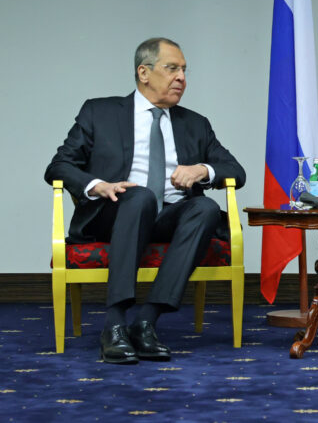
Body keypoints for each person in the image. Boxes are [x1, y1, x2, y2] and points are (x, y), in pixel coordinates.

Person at [45, 38, 245, 364]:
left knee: (206, 207)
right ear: (144, 72)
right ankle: (113, 326)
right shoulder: (100, 111)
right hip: (114, 213)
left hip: (170, 217)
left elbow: (235, 170)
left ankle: (146, 321)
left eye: (184, 70)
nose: (182, 77)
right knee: (138, 197)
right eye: (172, 69)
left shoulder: (195, 123)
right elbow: (59, 165)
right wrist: (98, 185)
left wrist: (201, 169)